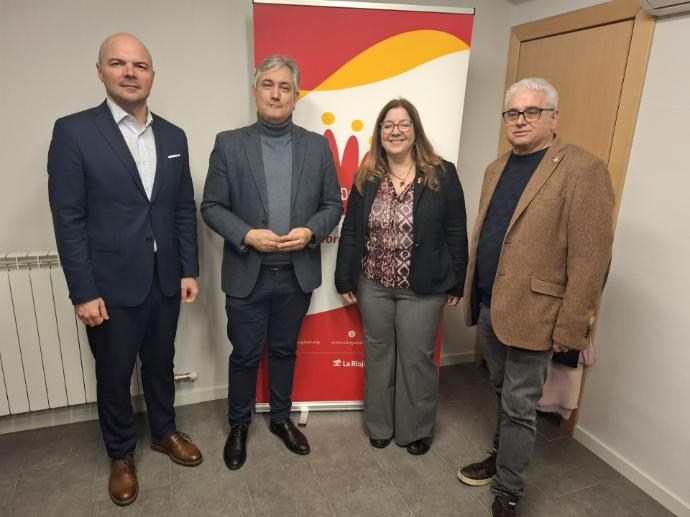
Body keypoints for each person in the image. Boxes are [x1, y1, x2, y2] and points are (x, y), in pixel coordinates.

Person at [47, 33, 202, 506]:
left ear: (152, 75)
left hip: (165, 278)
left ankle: (164, 431)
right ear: (101, 72)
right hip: (109, 285)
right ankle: (120, 454)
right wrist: (83, 291)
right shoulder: (74, 132)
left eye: (140, 65)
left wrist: (189, 269)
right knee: (114, 374)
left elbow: (181, 209)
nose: (130, 72)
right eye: (118, 63)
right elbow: (68, 218)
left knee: (160, 363)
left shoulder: (174, 136)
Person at [457, 78, 614, 516]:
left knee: (520, 405)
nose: (520, 120)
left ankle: (508, 490)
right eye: (513, 112)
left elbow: (592, 258)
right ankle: (502, 455)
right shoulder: (496, 168)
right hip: (490, 304)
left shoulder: (583, 169)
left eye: (532, 112)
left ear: (553, 118)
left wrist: (572, 326)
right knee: (501, 393)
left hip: (537, 314)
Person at [201, 55, 342, 470]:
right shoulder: (229, 144)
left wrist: (311, 231)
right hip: (248, 275)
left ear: (296, 96)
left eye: (285, 87)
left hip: (296, 276)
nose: (276, 94)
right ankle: (239, 426)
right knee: (245, 355)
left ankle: (281, 419)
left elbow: (332, 205)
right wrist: (247, 234)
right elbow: (211, 206)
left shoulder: (317, 146)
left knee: (283, 351)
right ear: (255, 91)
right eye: (268, 85)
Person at [335, 98, 468, 455]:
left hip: (423, 287)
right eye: (388, 124)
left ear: (415, 130)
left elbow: (456, 228)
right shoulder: (367, 175)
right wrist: (343, 276)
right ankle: (380, 425)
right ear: (379, 132)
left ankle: (416, 430)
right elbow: (352, 230)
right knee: (378, 355)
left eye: (403, 124)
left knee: (416, 359)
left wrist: (457, 279)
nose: (395, 131)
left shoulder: (441, 173)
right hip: (373, 284)